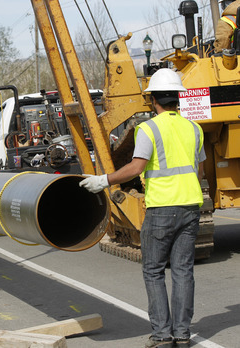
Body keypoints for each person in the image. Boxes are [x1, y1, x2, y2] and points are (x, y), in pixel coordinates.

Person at [79, 68, 206, 348]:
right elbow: (199, 168)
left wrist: (104, 180)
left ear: (153, 101)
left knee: (153, 270)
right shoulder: (194, 129)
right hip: (190, 207)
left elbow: (136, 168)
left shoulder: (148, 128)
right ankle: (182, 334)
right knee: (183, 271)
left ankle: (162, 334)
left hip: (162, 208)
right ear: (178, 99)